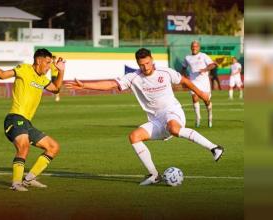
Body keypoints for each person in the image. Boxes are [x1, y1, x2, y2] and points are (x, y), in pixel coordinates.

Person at [65, 48, 224, 186]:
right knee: (134, 136)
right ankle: (154, 175)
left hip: (172, 112)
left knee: (175, 128)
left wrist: (201, 93)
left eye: (147, 63)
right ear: (138, 64)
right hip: (156, 120)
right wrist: (85, 85)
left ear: (152, 60)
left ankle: (214, 148)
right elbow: (111, 84)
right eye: (141, 64)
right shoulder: (134, 77)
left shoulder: (165, 72)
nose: (145, 67)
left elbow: (184, 81)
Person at [0, 49, 65, 191]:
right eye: (47, 63)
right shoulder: (24, 69)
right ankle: (16, 183)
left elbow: (56, 89)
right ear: (38, 60)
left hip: (26, 122)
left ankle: (29, 179)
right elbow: (2, 75)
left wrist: (61, 71)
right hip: (14, 118)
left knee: (53, 147)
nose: (48, 67)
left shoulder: (42, 79)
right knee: (24, 146)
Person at [181, 41, 216, 128]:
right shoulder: (187, 57)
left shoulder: (203, 55)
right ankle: (198, 118)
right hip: (193, 82)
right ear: (191, 47)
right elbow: (183, 68)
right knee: (194, 97)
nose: (194, 48)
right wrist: (184, 78)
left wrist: (204, 69)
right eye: (193, 46)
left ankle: (210, 116)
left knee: (206, 100)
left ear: (199, 47)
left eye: (196, 46)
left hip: (204, 82)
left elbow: (212, 65)